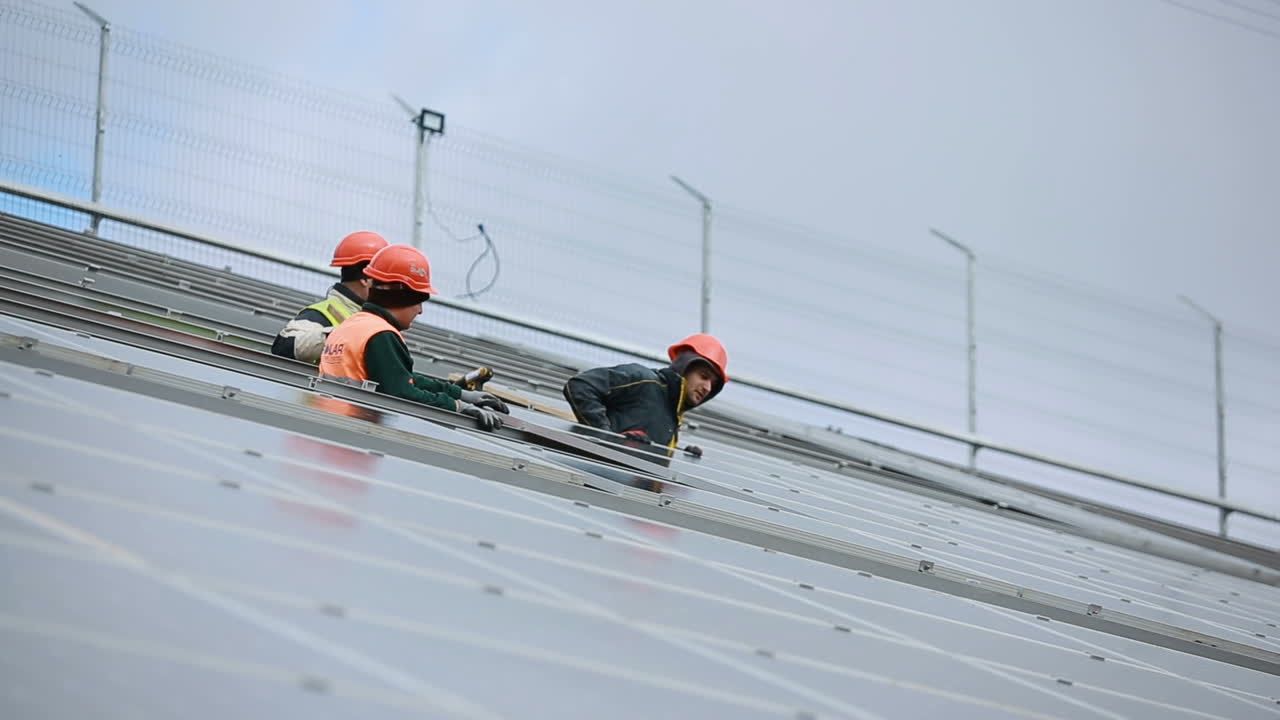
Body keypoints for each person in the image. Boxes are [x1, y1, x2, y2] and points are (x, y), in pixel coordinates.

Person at [318, 244, 509, 431]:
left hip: (330, 422)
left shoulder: (352, 325)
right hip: (355, 430)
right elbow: (401, 393)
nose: (420, 311)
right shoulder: (381, 335)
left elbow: (400, 378)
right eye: (418, 301)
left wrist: (461, 394)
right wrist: (458, 407)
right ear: (401, 297)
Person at [562, 334, 728, 454]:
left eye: (713, 384)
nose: (707, 387)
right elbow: (581, 386)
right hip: (595, 479)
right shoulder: (644, 380)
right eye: (704, 376)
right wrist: (606, 437)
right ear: (685, 367)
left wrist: (682, 457)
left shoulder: (672, 417)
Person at [272, 231, 390, 364]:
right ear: (366, 279)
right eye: (385, 279)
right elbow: (284, 346)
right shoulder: (319, 315)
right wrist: (346, 334)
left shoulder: (376, 320)